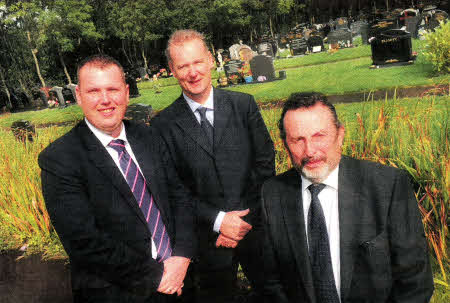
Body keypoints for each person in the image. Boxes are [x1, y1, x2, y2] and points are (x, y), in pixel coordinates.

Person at [38, 54, 195, 303]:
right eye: (93, 91)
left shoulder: (150, 137)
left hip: (181, 279)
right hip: (118, 291)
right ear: (78, 96)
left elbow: (180, 197)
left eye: (113, 89)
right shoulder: (60, 158)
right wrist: (157, 276)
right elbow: (83, 241)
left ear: (126, 91)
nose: (105, 100)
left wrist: (183, 257)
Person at [261, 92, 434, 303]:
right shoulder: (272, 194)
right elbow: (270, 281)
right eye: (298, 140)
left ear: (340, 135)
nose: (310, 151)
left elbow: (415, 279)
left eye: (319, 136)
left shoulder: (387, 185)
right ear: (285, 144)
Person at [151, 29, 275, 302]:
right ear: (172, 70)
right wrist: (220, 222)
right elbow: (174, 189)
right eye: (183, 66)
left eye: (197, 62)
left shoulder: (244, 106)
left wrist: (241, 222)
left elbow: (265, 165)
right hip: (207, 241)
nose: (193, 72)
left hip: (255, 229)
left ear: (210, 60)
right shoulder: (163, 126)